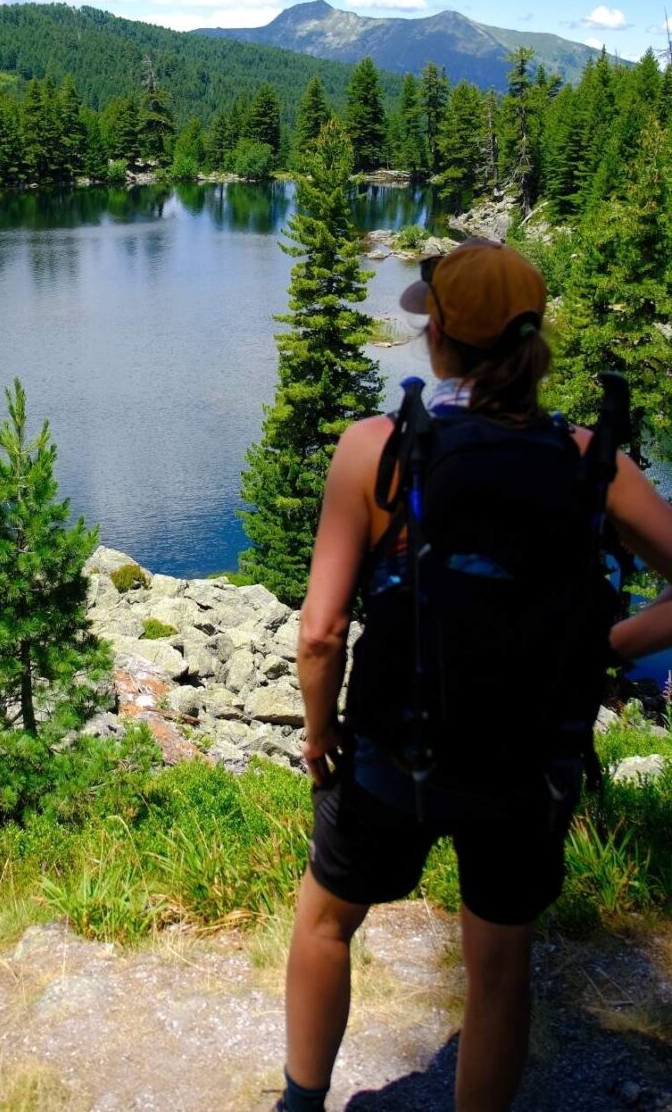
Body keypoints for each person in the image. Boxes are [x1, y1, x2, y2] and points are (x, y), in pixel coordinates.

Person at [275, 239, 672, 1112]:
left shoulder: (376, 449)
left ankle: (302, 1103)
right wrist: (603, 647)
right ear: (532, 341)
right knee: (498, 967)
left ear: (439, 335)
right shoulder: (586, 457)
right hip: (530, 758)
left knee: (327, 920)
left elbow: (321, 633)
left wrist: (317, 738)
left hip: (393, 751)